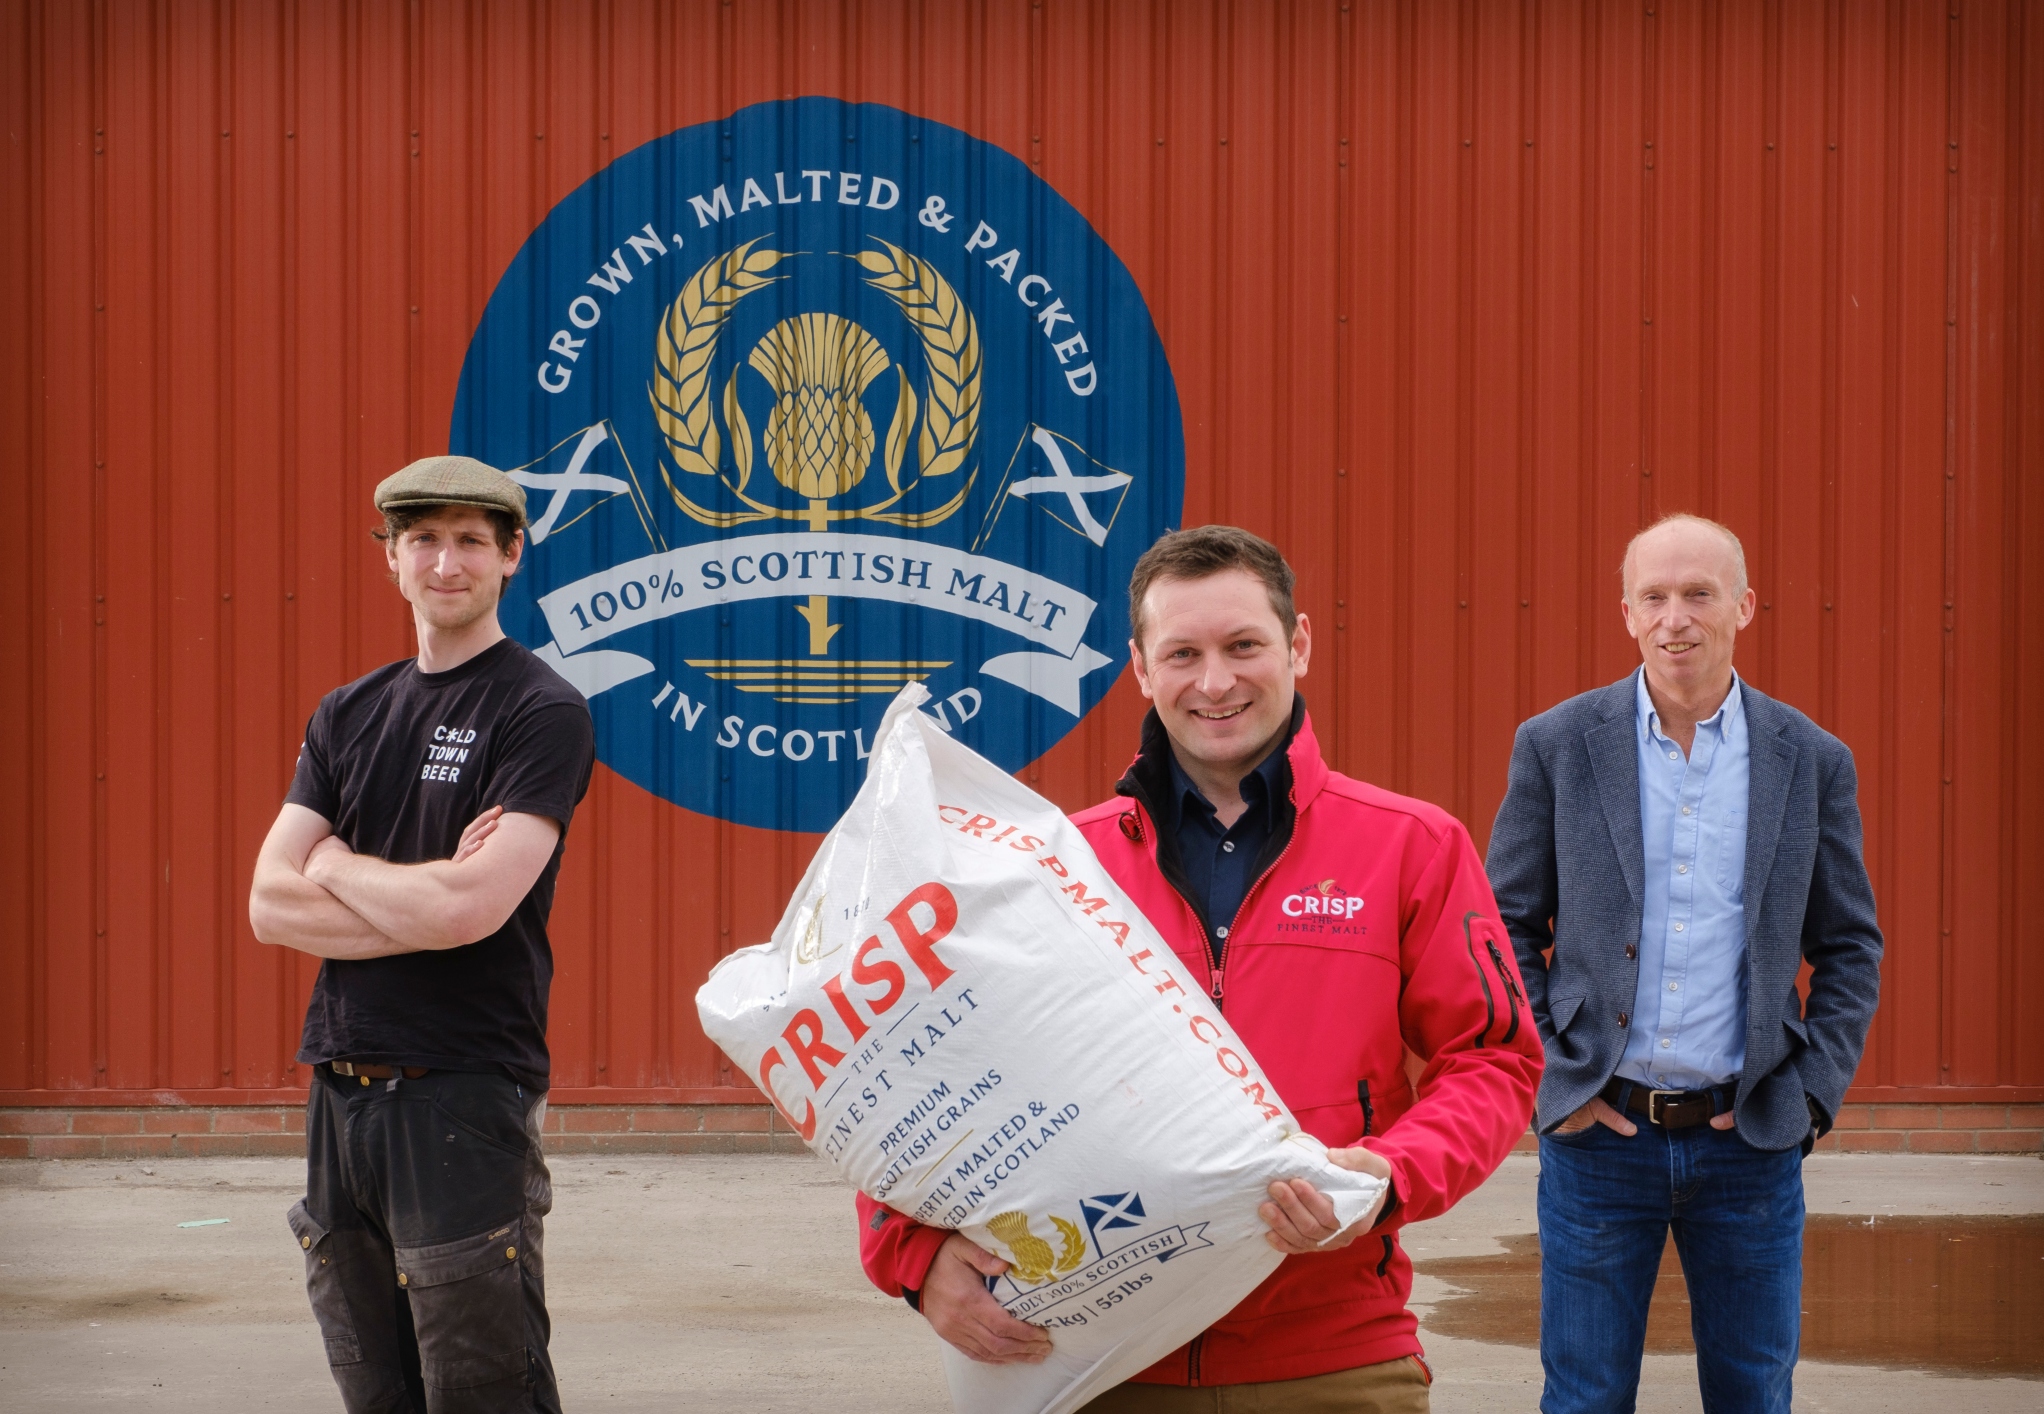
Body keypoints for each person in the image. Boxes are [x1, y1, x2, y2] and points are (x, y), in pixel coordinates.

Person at [855, 525, 1543, 1412]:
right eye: (1182, 653)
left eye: (1243, 646)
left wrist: (1389, 1174)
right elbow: (901, 1077)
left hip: (1332, 1362)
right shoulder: (1053, 867)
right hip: (1099, 1363)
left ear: (1296, 646)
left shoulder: (1412, 847)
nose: (1215, 682)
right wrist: (915, 1256)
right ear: (1141, 668)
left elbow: (1492, 1059)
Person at [1486, 513, 1883, 1414]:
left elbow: (1850, 945)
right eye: (1655, 597)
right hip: (1600, 1141)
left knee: (1753, 1396)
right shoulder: (1557, 744)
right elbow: (1502, 929)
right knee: (1584, 1399)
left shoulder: (1811, 760)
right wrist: (1558, 1079)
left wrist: (1809, 1095)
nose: (1677, 618)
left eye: (1699, 594)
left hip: (1747, 1140)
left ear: (1742, 606)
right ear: (1626, 613)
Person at [248, 456, 595, 1414]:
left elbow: (470, 912)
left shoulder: (539, 709)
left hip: (464, 1093)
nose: (447, 562)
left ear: (511, 556)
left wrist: (337, 866)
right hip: (340, 1089)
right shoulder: (348, 713)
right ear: (391, 557)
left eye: (471, 541)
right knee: (373, 1385)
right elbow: (267, 906)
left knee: (485, 1389)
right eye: (424, 540)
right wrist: (429, 898)